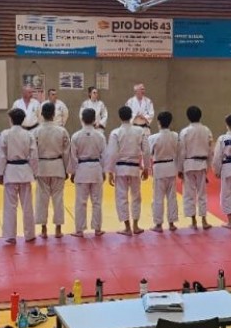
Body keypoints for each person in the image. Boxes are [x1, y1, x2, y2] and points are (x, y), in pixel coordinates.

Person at [105, 106, 150, 236]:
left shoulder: (115, 132)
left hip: (120, 168)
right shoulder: (139, 131)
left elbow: (112, 153)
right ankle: (136, 225)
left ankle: (127, 227)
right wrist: (146, 167)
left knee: (121, 197)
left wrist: (110, 171)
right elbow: (146, 150)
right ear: (131, 116)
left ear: (120, 117)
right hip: (135, 167)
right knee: (136, 196)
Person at [0, 108, 38, 243]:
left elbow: (2, 156)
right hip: (25, 171)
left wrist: (0, 173)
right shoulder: (28, 135)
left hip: (10, 171)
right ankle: (30, 234)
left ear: (11, 120)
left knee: (10, 206)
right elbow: (33, 156)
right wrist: (35, 172)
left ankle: (10, 235)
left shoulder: (5, 134)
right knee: (27, 205)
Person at [68, 107, 107, 237]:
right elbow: (104, 155)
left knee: (81, 202)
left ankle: (79, 230)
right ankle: (97, 229)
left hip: (82, 169)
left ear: (82, 119)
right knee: (97, 201)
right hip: (96, 168)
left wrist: (72, 172)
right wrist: (104, 170)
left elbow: (73, 157)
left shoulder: (76, 136)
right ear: (95, 120)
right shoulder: (100, 136)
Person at [34, 102, 70, 239]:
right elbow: (67, 152)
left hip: (42, 166)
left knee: (42, 198)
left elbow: (33, 153)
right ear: (54, 114)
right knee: (58, 198)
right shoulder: (61, 131)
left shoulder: (36, 131)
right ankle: (58, 229)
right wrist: (67, 169)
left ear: (42, 115)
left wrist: (34, 169)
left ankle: (43, 229)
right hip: (58, 166)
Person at [180, 105, 214, 230]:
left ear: (188, 117)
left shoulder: (185, 132)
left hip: (188, 164)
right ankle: (204, 220)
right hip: (202, 164)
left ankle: (193, 220)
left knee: (189, 193)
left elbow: (182, 151)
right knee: (202, 193)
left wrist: (180, 168)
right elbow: (211, 150)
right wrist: (209, 166)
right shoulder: (206, 130)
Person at [149, 111, 179, 232]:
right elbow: (178, 152)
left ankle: (158, 224)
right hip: (171, 167)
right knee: (172, 197)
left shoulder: (153, 138)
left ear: (159, 122)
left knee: (158, 197)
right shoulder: (175, 136)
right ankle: (171, 223)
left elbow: (149, 154)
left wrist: (146, 167)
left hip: (159, 168)